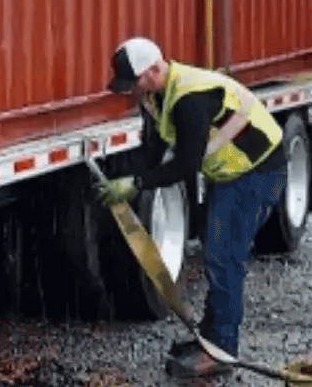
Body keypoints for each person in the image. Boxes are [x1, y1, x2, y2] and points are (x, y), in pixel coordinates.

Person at [96, 36, 288, 380]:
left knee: (224, 256)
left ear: (154, 69)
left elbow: (186, 165)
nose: (131, 91)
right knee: (216, 250)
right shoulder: (156, 96)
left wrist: (136, 184)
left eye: (134, 82)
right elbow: (154, 152)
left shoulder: (190, 99)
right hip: (231, 173)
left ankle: (222, 350)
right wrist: (123, 179)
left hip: (257, 170)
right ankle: (211, 340)